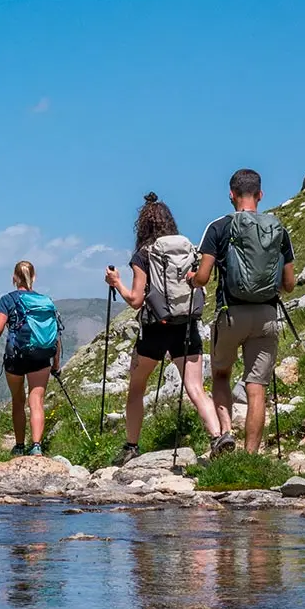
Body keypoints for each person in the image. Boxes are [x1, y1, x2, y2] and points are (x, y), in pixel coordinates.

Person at [103, 193, 224, 467]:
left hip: (155, 328)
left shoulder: (143, 254)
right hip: (186, 324)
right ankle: (218, 437)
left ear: (142, 226)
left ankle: (132, 446)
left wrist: (116, 283)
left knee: (136, 387)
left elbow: (135, 300)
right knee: (195, 387)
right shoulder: (187, 249)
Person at [191, 168, 296, 456]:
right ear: (260, 195)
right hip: (266, 314)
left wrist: (192, 279)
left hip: (231, 313)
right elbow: (289, 284)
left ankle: (225, 435)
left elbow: (202, 277)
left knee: (222, 374)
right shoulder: (278, 229)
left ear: (231, 195)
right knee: (256, 386)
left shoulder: (218, 228)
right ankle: (251, 456)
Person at [0, 261, 59, 456]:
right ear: (34, 277)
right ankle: (37, 446)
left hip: (17, 356)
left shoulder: (7, 300)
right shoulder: (46, 301)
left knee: (18, 400)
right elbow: (55, 335)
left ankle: (20, 446)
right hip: (42, 355)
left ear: (14, 278)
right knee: (37, 400)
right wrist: (55, 364)